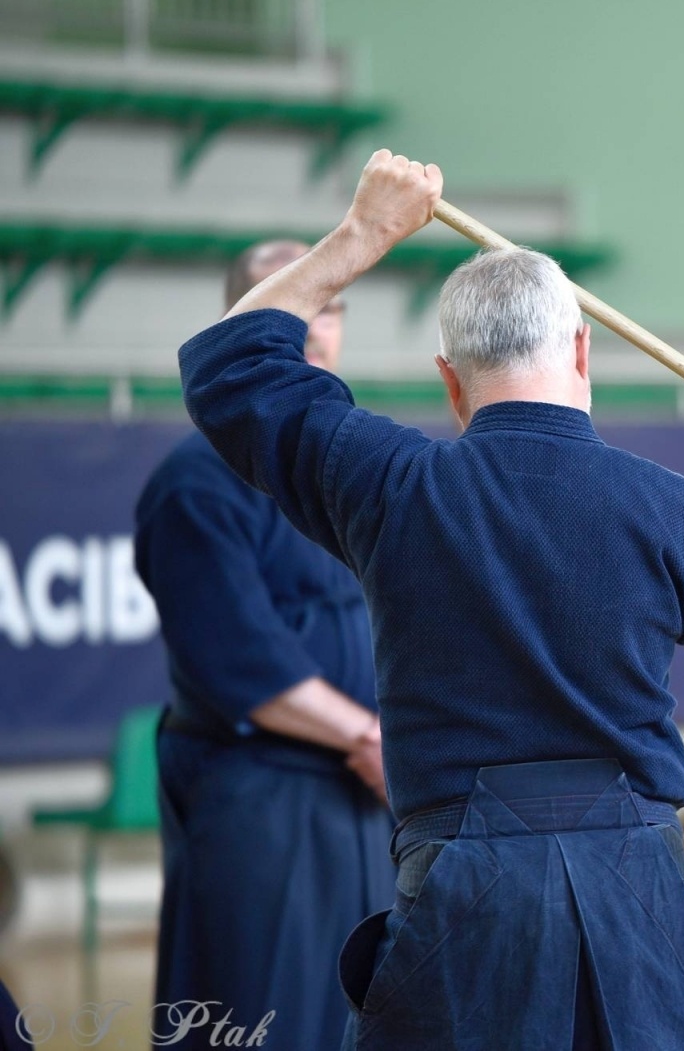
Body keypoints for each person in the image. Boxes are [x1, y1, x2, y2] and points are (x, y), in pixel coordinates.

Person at [176, 150, 684, 1050]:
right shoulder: (669, 508)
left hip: (461, 903)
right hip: (637, 898)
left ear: (449, 379)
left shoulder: (393, 487)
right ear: (581, 349)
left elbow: (228, 363)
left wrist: (364, 232)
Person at [134, 241, 391, 1050]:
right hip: (263, 800)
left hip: (370, 795)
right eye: (296, 301)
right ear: (241, 321)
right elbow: (239, 660)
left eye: (331, 304)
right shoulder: (194, 482)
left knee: (373, 1016)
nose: (317, 324)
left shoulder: (351, 468)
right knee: (265, 1018)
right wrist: (367, 736)